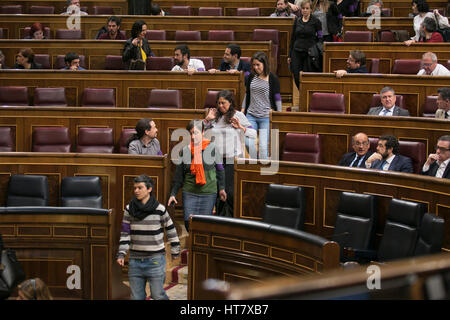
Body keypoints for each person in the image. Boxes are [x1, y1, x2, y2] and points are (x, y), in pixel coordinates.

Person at [116, 174, 180, 300]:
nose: (136, 191)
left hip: (155, 260)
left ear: (149, 189)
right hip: (135, 260)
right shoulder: (129, 209)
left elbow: (171, 229)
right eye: (135, 188)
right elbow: (125, 233)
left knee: (158, 295)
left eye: (140, 188)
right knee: (136, 297)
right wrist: (122, 253)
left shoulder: (159, 209)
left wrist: (175, 250)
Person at [204, 90, 256, 216]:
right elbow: (202, 135)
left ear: (230, 102)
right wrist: (206, 120)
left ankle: (232, 219)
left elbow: (253, 134)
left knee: (230, 193)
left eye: (223, 103)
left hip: (232, 160)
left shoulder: (238, 115)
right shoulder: (213, 116)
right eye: (219, 103)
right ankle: (220, 220)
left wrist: (241, 128)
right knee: (217, 191)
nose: (220, 106)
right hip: (216, 160)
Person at [168, 120, 226, 232]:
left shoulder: (213, 148)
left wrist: (222, 188)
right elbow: (178, 176)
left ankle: (200, 249)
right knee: (188, 223)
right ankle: (191, 248)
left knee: (204, 225)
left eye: (196, 133)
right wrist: (173, 193)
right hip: (190, 192)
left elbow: (220, 169)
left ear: (203, 132)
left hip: (208, 192)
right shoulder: (185, 151)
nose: (193, 136)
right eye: (190, 133)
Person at [241, 51, 282, 160]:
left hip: (266, 117)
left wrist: (279, 113)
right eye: (254, 65)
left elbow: (277, 97)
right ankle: (256, 160)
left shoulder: (272, 78)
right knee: (248, 143)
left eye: (258, 65)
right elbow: (247, 93)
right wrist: (243, 108)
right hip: (251, 115)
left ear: (264, 64)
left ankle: (262, 169)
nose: (255, 67)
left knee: (263, 148)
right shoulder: (251, 77)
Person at [288, 0, 323, 89]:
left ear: (311, 9)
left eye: (307, 8)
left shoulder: (316, 21)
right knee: (296, 76)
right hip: (296, 52)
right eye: (303, 8)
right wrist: (289, 55)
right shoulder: (297, 21)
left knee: (307, 76)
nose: (305, 10)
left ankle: (307, 97)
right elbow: (293, 38)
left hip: (309, 53)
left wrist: (315, 50)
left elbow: (320, 38)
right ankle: (302, 93)